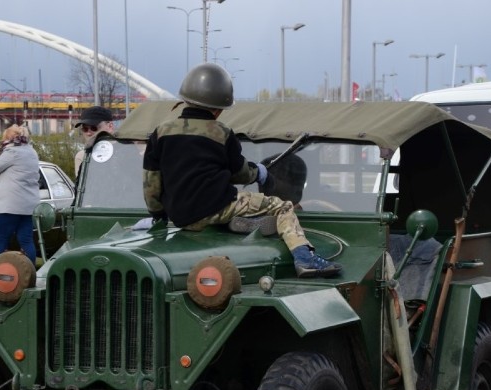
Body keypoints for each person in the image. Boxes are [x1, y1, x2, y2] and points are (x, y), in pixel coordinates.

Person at [141, 63, 341, 278]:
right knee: (282, 207)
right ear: (218, 109)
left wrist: (158, 215)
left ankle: (242, 223)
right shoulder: (222, 133)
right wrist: (259, 172)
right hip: (219, 207)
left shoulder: (160, 133)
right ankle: (305, 258)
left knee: (210, 212)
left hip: (182, 217)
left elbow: (151, 183)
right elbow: (239, 172)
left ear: (185, 100)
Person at [0, 124, 41, 264]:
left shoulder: (12, 152)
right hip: (28, 205)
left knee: (0, 239)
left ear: (9, 138)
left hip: (9, 205)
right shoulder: (32, 152)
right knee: (26, 240)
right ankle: (30, 273)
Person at [74, 106, 115, 178]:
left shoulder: (126, 151)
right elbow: (82, 187)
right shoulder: (82, 156)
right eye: (85, 129)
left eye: (94, 128)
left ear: (110, 126)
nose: (88, 133)